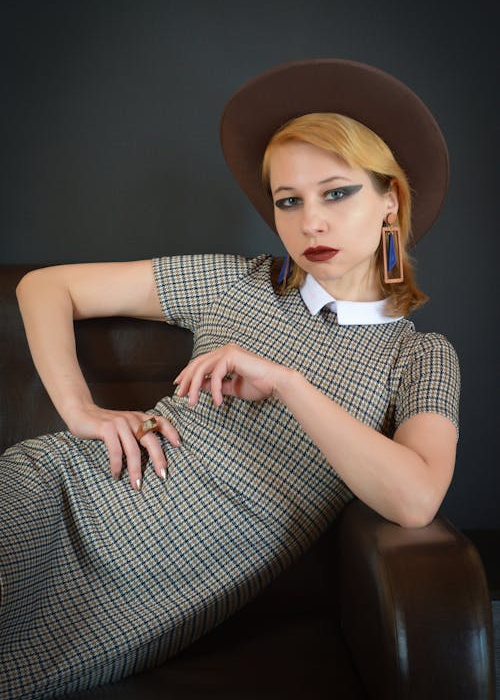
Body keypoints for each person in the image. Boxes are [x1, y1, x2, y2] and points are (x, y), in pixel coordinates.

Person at [0, 59, 459, 699]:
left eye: (336, 192)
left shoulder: (420, 357)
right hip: (60, 493)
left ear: (390, 201)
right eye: (288, 201)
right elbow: (44, 287)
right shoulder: (237, 282)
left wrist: (289, 383)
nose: (311, 223)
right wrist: (81, 412)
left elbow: (414, 499)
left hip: (166, 589)